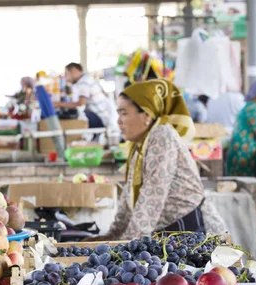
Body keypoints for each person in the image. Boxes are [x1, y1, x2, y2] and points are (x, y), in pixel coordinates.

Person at [93, 79, 225, 240]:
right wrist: (111, 236)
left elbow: (152, 195)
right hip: (170, 232)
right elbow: (128, 198)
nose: (118, 121)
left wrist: (126, 243)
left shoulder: (162, 135)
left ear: (147, 115)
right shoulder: (140, 145)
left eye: (124, 113)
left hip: (192, 230)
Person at [54, 63, 119, 132]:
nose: (65, 77)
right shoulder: (83, 80)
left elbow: (81, 103)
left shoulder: (84, 82)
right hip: (104, 117)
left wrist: (59, 104)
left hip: (102, 119)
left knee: (80, 117)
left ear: (74, 71)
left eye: (66, 74)